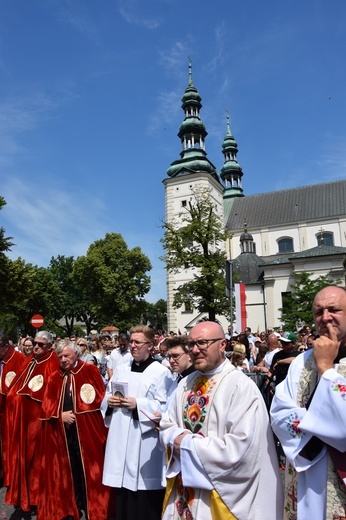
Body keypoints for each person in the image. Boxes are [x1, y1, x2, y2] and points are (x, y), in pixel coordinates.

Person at [160, 321, 283, 520]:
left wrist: (188, 445)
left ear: (222, 345)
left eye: (203, 343)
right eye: (191, 344)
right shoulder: (185, 384)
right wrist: (174, 436)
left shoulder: (240, 387)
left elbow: (244, 448)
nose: (195, 350)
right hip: (185, 494)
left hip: (220, 500)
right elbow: (167, 424)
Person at [271, 286, 346, 520]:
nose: (325, 318)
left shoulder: (318, 362)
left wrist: (326, 368)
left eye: (334, 309)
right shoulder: (301, 362)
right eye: (318, 312)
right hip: (306, 472)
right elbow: (279, 413)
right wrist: (322, 425)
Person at [102, 325, 173, 520]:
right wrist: (109, 402)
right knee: (123, 493)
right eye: (131, 341)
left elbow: (166, 407)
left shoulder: (160, 372)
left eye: (137, 342)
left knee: (143, 496)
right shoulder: (122, 369)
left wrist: (139, 404)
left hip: (144, 442)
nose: (132, 346)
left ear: (150, 346)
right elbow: (107, 394)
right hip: (120, 436)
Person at [37, 341, 111, 520]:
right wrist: (59, 415)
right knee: (68, 472)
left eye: (66, 356)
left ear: (76, 354)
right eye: (60, 357)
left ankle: (93, 507)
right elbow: (46, 405)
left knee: (90, 472)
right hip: (64, 435)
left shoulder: (90, 371)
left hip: (88, 434)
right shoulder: (55, 377)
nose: (63, 360)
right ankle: (73, 508)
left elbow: (101, 400)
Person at [4, 330, 60, 515]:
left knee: (36, 461)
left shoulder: (52, 362)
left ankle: (35, 498)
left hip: (38, 422)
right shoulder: (29, 360)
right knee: (23, 459)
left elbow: (52, 394)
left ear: (50, 346)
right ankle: (24, 495)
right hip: (21, 421)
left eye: (40, 344)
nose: (35, 346)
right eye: (35, 343)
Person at [0, 333, 26, 480]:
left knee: (10, 444)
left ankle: (10, 475)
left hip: (11, 410)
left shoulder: (19, 359)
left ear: (5, 347)